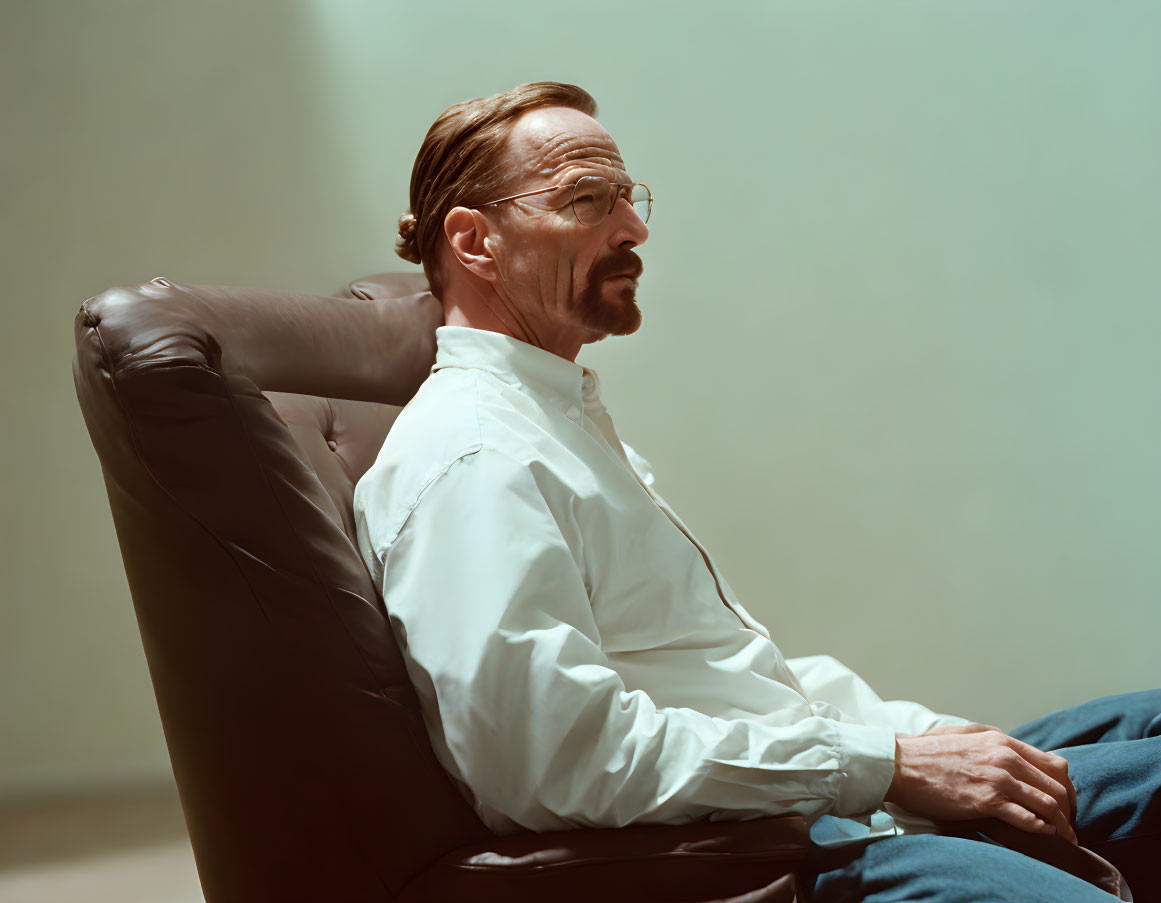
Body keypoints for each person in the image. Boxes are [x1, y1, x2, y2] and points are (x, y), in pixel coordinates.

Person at [353, 82, 1157, 901]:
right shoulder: (477, 457)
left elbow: (722, 678)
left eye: (630, 199)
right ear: (475, 240)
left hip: (823, 799)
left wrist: (921, 740)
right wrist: (887, 766)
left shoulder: (556, 422)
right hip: (779, 853)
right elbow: (552, 762)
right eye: (587, 200)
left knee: (1147, 721)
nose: (632, 228)